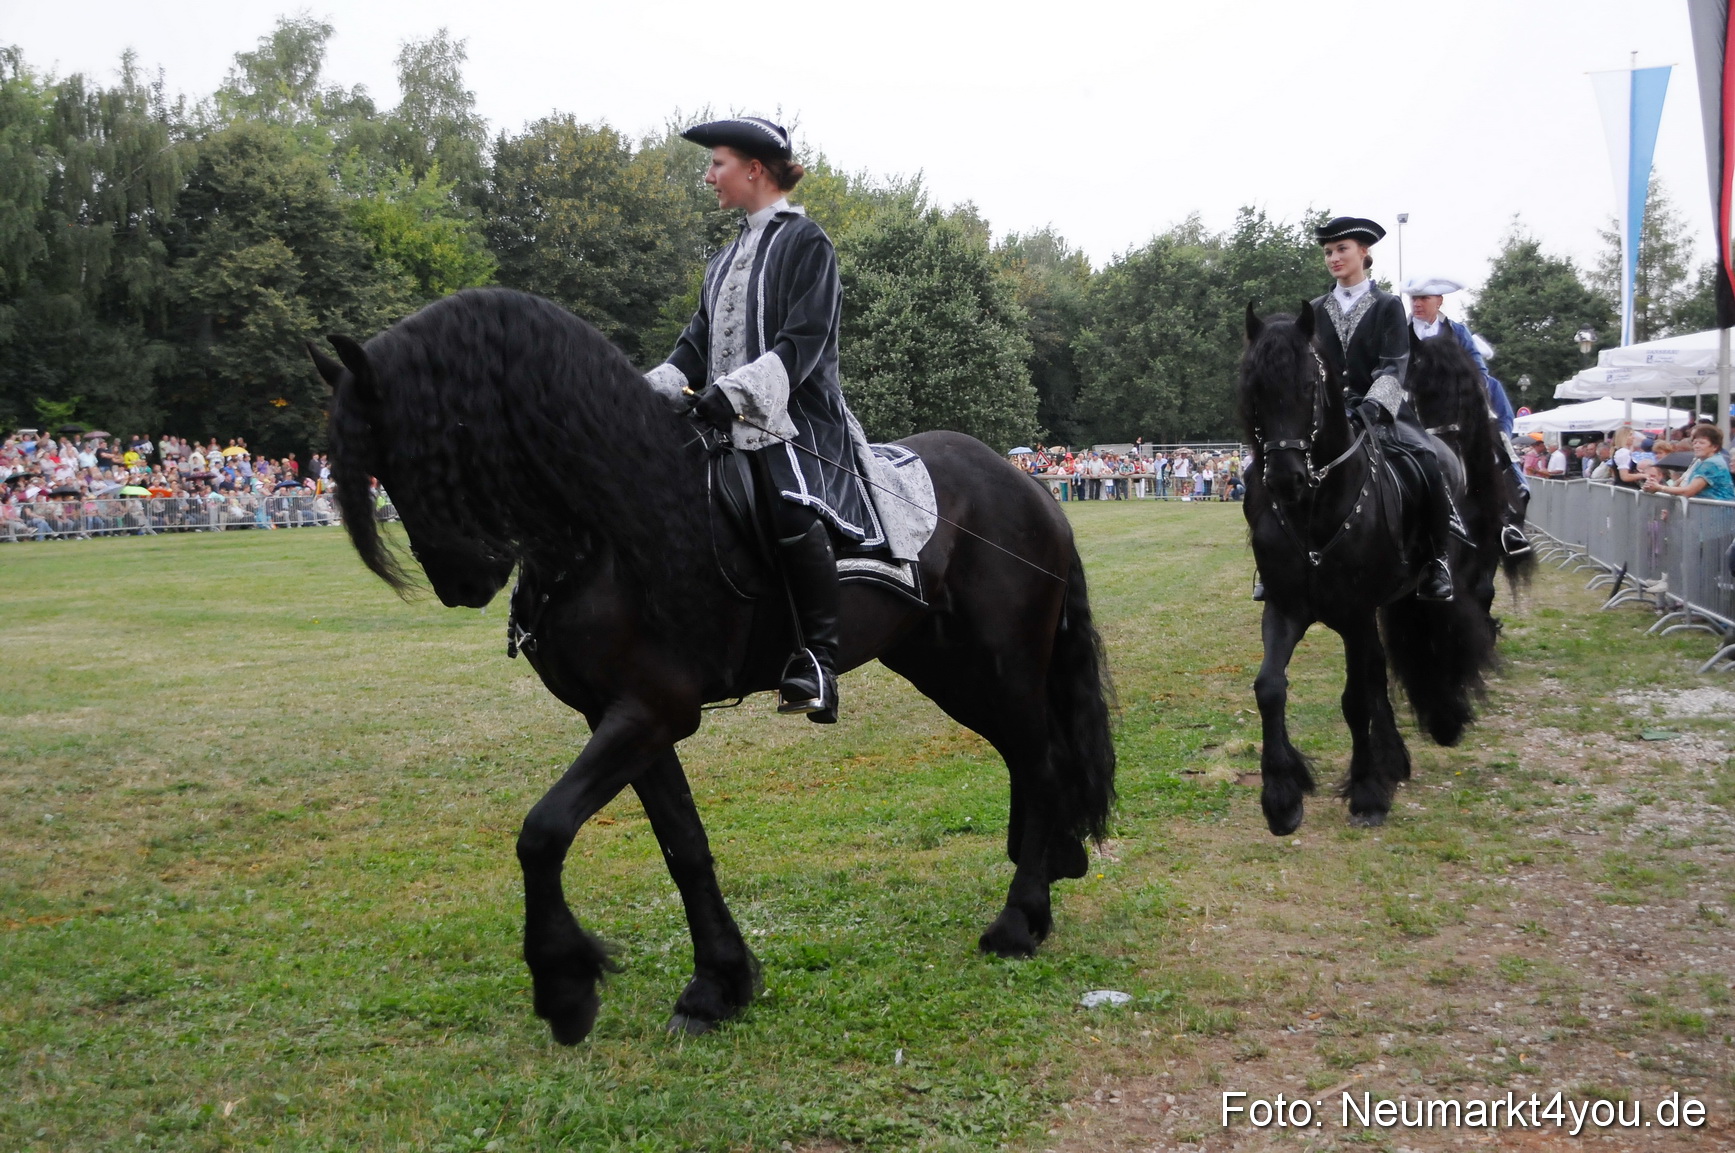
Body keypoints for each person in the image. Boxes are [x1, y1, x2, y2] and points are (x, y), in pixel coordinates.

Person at [642, 116, 877, 724]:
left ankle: (818, 663)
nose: (708, 174)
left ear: (754, 169)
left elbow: (804, 341)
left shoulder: (808, 243)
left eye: (716, 163)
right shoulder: (721, 261)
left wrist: (737, 393)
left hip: (795, 420)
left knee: (785, 501)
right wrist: (638, 395)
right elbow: (691, 348)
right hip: (725, 419)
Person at [1273, 217, 1456, 600]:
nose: (1334, 258)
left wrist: (1373, 406)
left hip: (1382, 411)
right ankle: (1275, 560)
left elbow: (1394, 363)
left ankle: (1436, 560)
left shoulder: (1388, 305)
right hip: (1327, 416)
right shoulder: (1317, 309)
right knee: (1276, 466)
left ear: (1364, 252)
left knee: (1425, 461)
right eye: (1328, 252)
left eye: (1342, 249)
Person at [1643, 424, 1735, 501]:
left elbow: (1688, 491)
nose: (1697, 446)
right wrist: (1654, 487)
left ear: (1715, 446)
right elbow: (1682, 485)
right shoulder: (1701, 461)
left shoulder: (1712, 463)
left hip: (1719, 515)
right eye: (1695, 443)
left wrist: (1659, 487)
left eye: (1702, 443)